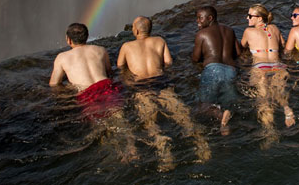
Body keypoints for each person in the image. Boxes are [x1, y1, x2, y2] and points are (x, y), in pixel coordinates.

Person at [117, 16, 209, 171]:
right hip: (161, 81)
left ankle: (164, 148)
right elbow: (168, 62)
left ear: (136, 30)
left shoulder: (126, 46)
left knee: (149, 121)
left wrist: (127, 80)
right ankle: (201, 144)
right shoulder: (160, 41)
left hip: (141, 86)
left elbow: (120, 66)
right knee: (182, 114)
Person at [49, 22, 135, 161]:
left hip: (88, 93)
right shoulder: (100, 50)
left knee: (101, 126)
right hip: (107, 86)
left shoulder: (62, 57)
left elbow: (54, 84)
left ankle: (118, 155)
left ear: (68, 40)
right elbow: (109, 72)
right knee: (120, 119)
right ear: (87, 37)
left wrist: (68, 88)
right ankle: (132, 148)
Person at [240, 4, 294, 146]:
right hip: (278, 66)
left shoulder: (248, 31)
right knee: (280, 93)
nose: (247, 18)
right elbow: (282, 45)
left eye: (250, 16)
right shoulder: (275, 28)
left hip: (260, 66)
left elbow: (242, 47)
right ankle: (287, 110)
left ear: (259, 18)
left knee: (264, 100)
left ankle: (269, 131)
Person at [190, 5, 241, 135]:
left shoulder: (201, 34)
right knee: (229, 101)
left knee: (203, 105)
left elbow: (195, 58)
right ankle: (226, 116)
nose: (197, 21)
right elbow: (238, 52)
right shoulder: (230, 30)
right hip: (231, 70)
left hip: (212, 69)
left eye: (200, 18)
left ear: (210, 18)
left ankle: (220, 115)